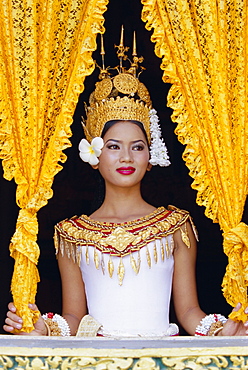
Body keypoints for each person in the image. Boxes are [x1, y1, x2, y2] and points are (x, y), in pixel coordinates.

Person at [3, 35, 248, 338]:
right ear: (94, 157)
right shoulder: (71, 233)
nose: (127, 157)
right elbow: (75, 316)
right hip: (96, 358)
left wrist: (224, 330)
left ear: (150, 156)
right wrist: (41, 326)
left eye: (138, 147)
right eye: (114, 146)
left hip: (162, 355)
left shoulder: (175, 226)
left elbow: (187, 311)